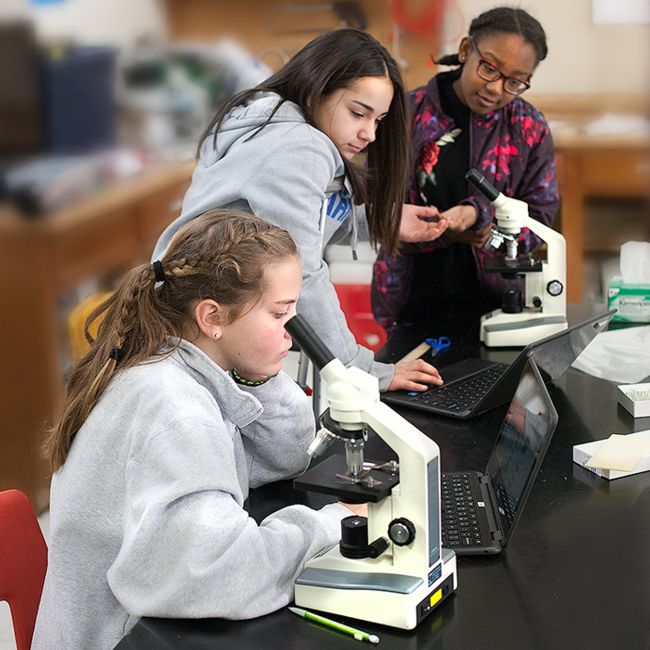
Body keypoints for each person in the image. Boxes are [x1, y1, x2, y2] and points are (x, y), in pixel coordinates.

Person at [33, 210, 363, 650]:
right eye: (280, 316)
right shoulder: (174, 408)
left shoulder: (182, 364)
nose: (293, 336)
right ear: (212, 317)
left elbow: (288, 456)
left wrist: (258, 373)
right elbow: (218, 574)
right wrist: (334, 524)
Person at [153, 28, 448, 394]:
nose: (370, 133)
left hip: (203, 316)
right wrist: (360, 369)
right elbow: (302, 270)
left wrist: (380, 220)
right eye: (359, 113)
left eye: (379, 120)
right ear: (315, 89)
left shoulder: (277, 125)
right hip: (203, 329)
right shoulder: (299, 146)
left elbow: (304, 218)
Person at [371, 7, 560, 343]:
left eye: (515, 81)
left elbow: (542, 218)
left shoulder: (528, 127)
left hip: (501, 308)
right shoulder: (405, 115)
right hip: (412, 302)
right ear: (464, 51)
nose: (497, 89)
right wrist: (445, 232)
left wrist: (481, 216)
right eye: (489, 68)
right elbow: (378, 211)